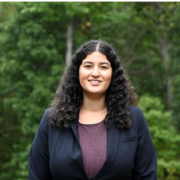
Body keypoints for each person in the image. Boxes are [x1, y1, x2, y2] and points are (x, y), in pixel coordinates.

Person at [28, 40, 157, 180]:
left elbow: (147, 176)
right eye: (88, 66)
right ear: (77, 71)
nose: (95, 73)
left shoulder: (134, 118)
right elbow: (37, 175)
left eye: (103, 67)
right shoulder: (51, 119)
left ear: (113, 73)